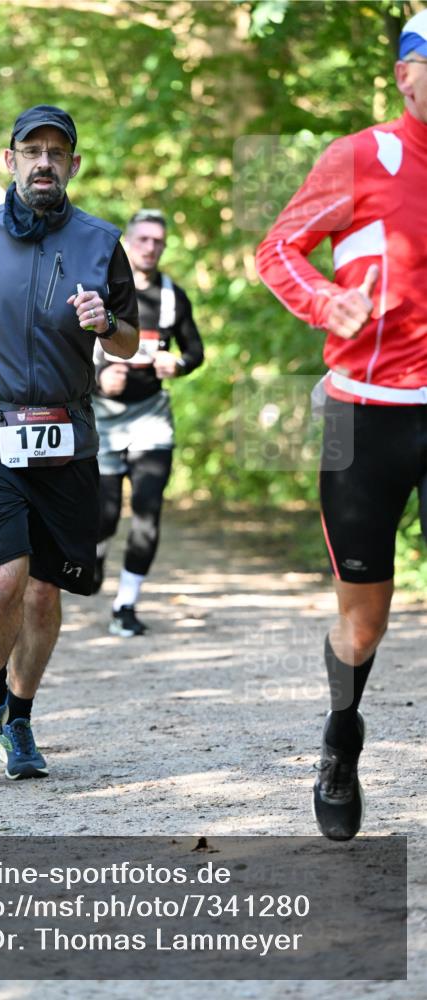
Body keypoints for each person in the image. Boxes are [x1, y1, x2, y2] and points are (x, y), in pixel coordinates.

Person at [0, 105, 139, 781]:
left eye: (56, 152)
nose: (43, 161)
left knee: (44, 594)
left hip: (64, 432)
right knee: (5, 576)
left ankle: (19, 717)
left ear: (73, 165)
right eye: (31, 150)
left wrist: (108, 323)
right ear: (8, 159)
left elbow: (132, 337)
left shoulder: (102, 242)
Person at [255, 10, 427, 841]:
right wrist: (328, 300)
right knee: (364, 618)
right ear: (405, 73)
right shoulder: (360, 156)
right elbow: (278, 248)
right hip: (361, 414)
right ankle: (341, 741)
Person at [92, 210, 204, 636]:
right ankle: (97, 554)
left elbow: (195, 352)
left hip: (152, 417)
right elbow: (70, 349)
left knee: (147, 512)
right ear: (128, 242)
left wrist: (178, 364)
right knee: (103, 516)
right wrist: (100, 378)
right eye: (143, 239)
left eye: (158, 241)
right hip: (103, 419)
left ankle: (126, 605)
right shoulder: (101, 290)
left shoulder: (173, 297)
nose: (150, 247)